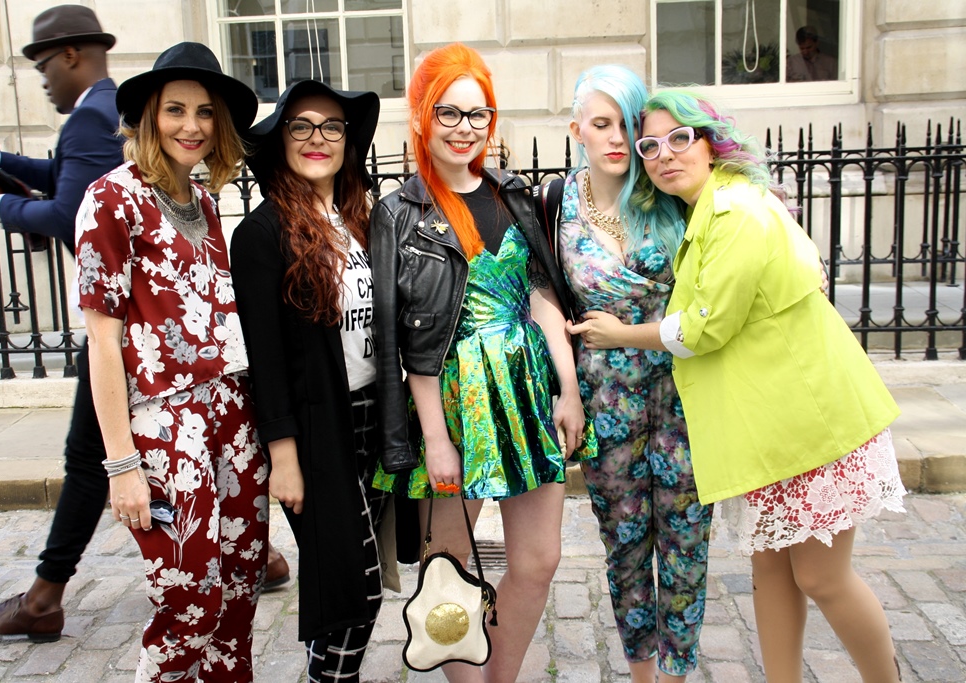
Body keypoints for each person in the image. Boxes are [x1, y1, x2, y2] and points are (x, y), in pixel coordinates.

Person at [585, 89, 905, 681]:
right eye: (650, 145)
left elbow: (703, 327)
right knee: (771, 571)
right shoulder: (711, 207)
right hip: (771, 428)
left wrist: (623, 334)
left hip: (812, 419)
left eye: (680, 138)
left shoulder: (735, 210)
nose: (663, 154)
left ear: (710, 142)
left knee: (820, 577)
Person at [371, 42, 597, 682]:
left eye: (478, 115)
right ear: (422, 115)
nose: (464, 128)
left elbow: (544, 295)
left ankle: (502, 676)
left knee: (539, 557)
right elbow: (403, 337)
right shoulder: (399, 214)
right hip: (452, 395)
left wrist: (569, 388)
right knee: (448, 561)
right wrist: (434, 440)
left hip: (526, 388)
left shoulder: (514, 197)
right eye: (449, 112)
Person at [75, 42, 268, 681]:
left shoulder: (205, 201)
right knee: (189, 598)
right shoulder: (112, 199)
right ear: (149, 116)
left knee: (239, 587)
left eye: (207, 113)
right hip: (164, 428)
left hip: (232, 419)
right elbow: (102, 343)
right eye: (176, 110)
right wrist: (122, 465)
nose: (192, 125)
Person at [0, 5, 122, 643]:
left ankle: (43, 600)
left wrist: (1, 204)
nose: (41, 79)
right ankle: (261, 559)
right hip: (137, 320)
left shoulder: (90, 120)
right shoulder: (104, 114)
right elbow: (68, 179)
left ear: (72, 54)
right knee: (147, 455)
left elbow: (71, 215)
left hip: (120, 326)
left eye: (43, 64)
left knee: (87, 460)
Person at [552, 66, 712, 682]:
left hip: (684, 396)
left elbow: (744, 220)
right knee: (624, 547)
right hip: (605, 401)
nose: (616, 138)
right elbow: (542, 292)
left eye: (626, 124)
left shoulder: (670, 190)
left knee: (686, 544)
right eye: (601, 124)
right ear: (577, 132)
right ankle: (642, 674)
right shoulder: (555, 207)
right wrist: (568, 387)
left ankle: (677, 675)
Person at [230, 80, 385, 682]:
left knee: (350, 591)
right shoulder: (261, 234)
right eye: (301, 126)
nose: (317, 138)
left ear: (349, 142)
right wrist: (283, 453)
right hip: (317, 428)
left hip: (373, 416)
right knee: (356, 585)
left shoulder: (361, 221)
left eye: (332, 127)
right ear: (280, 141)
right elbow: (263, 356)